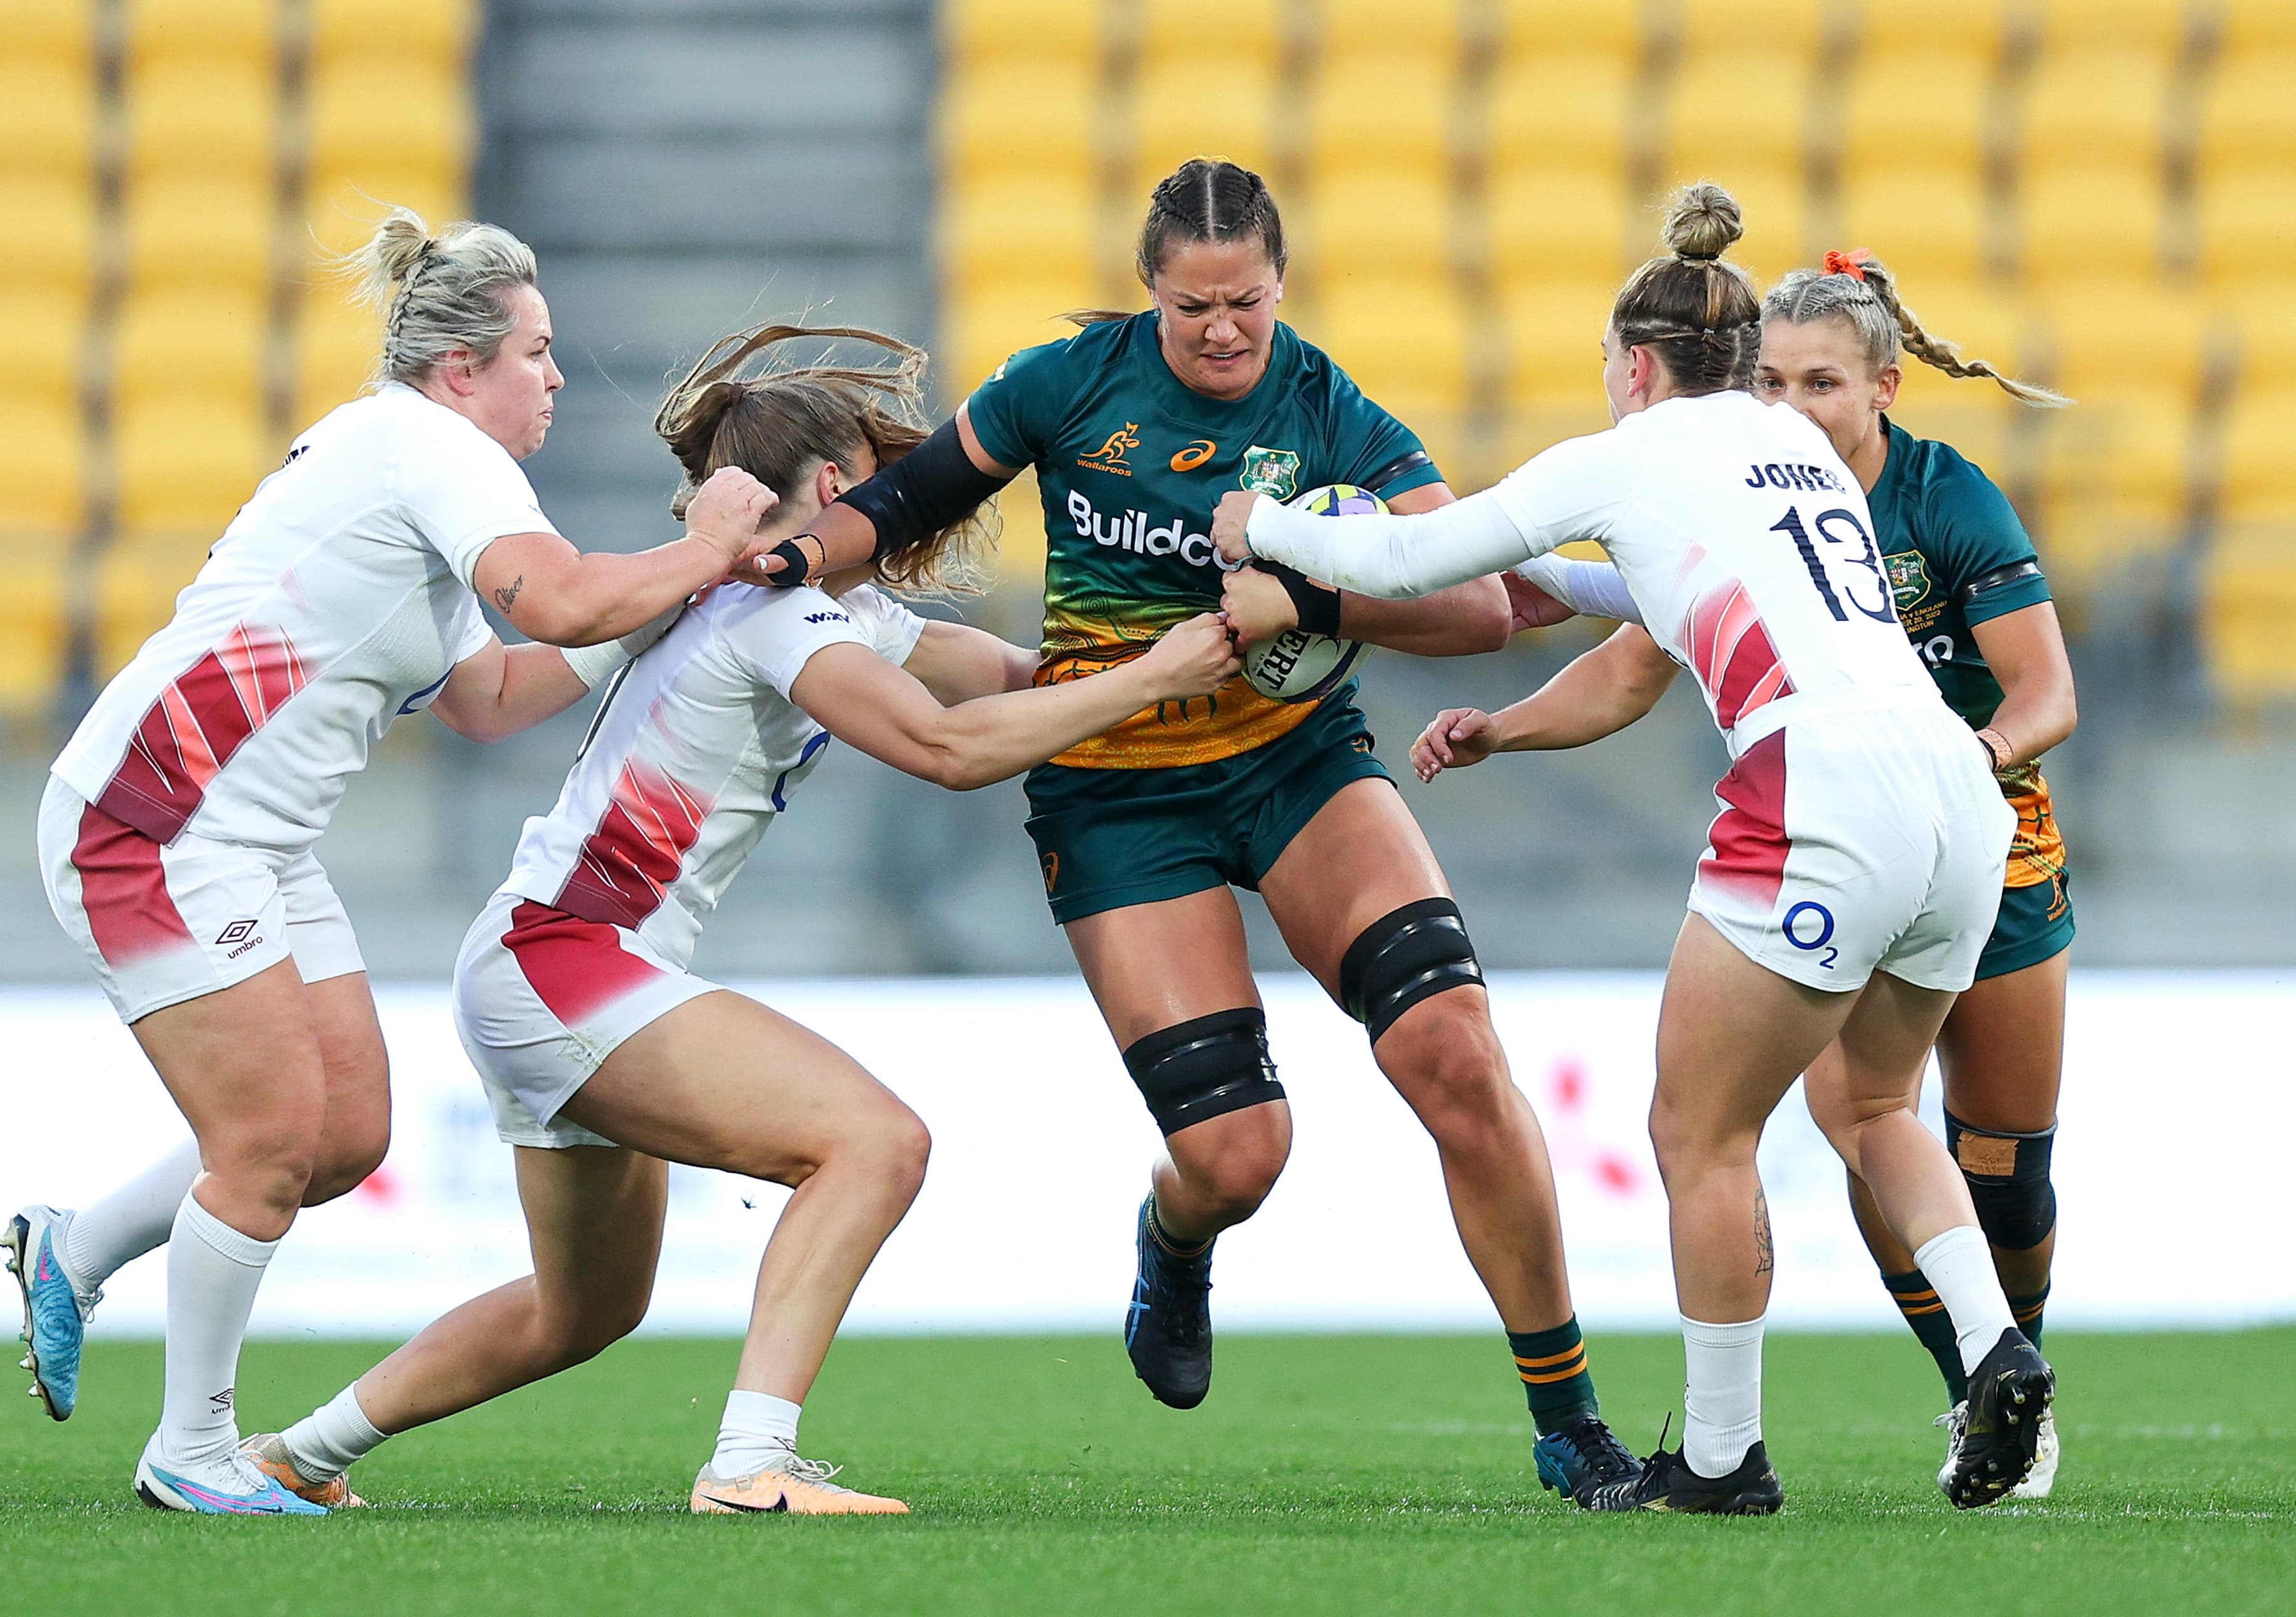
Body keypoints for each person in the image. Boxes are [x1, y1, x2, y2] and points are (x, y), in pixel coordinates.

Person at [726, 159, 1638, 1498]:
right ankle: (1177, 1235)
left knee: (1452, 1048)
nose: (1223, 330)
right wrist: (802, 558)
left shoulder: (1326, 405)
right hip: (1116, 788)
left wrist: (1311, 604)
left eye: (1248, 305)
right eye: (1195, 305)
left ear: (1281, 286)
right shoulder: (1067, 382)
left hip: (1299, 762)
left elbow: (1474, 607)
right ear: (1151, 288)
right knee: (1237, 1153)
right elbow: (910, 502)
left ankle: (1571, 1423)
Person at [240, 324, 1241, 1515]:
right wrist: (1153, 679)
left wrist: (1208, 659)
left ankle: (297, 1456)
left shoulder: (825, 607)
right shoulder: (777, 616)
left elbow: (1011, 684)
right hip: (566, 962)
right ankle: (751, 1462)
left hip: (542, 959)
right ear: (829, 490)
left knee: (587, 1308)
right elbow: (947, 748)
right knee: (874, 1143)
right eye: (880, 478)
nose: (903, 501)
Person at [1216, 183, 2052, 1513]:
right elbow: (1668, 584)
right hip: (1956, 786)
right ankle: (1996, 1344)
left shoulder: (1628, 451)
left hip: (1820, 784)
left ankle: (1723, 1458)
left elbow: (1424, 553)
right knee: (1879, 1105)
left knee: (1697, 1129)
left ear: (1640, 361)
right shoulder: (1801, 456)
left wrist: (1263, 532)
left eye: (1609, 362)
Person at [1, 210, 788, 1515]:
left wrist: (669, 601)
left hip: (248, 837)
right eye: (535, 352)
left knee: (344, 1135)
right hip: (154, 820)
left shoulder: (405, 464)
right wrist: (704, 546)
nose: (552, 376)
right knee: (264, 1141)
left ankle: (74, 1251)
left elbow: (488, 691)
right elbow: (553, 597)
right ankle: (193, 1450)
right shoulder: (429, 447)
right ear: (460, 367)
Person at [1756, 251, 2077, 1497]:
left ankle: (2022, 1363)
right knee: (1864, 1125)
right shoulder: (1752, 506)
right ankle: (1979, 1389)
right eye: (1770, 382)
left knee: (2003, 1161)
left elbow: (2048, 692)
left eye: (1821, 381)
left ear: (1886, 386)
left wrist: (1968, 758)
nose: (1791, 409)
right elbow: (1639, 648)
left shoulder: (1950, 496)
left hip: (1998, 850)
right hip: (1848, 860)